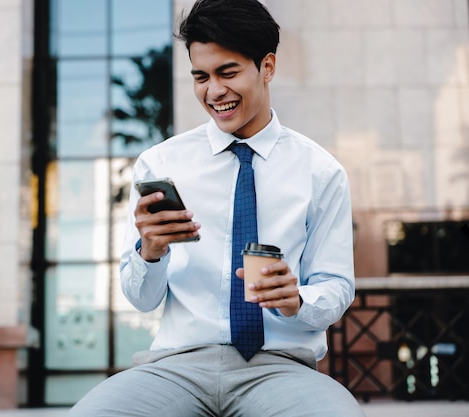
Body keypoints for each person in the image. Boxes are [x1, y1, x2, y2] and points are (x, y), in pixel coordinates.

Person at [68, 0, 365, 415]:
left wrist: (294, 299)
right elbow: (141, 299)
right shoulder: (161, 164)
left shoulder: (320, 172)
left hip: (280, 368)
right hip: (175, 367)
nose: (214, 92)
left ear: (267, 67)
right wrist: (150, 252)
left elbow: (336, 287)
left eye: (228, 73)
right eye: (201, 77)